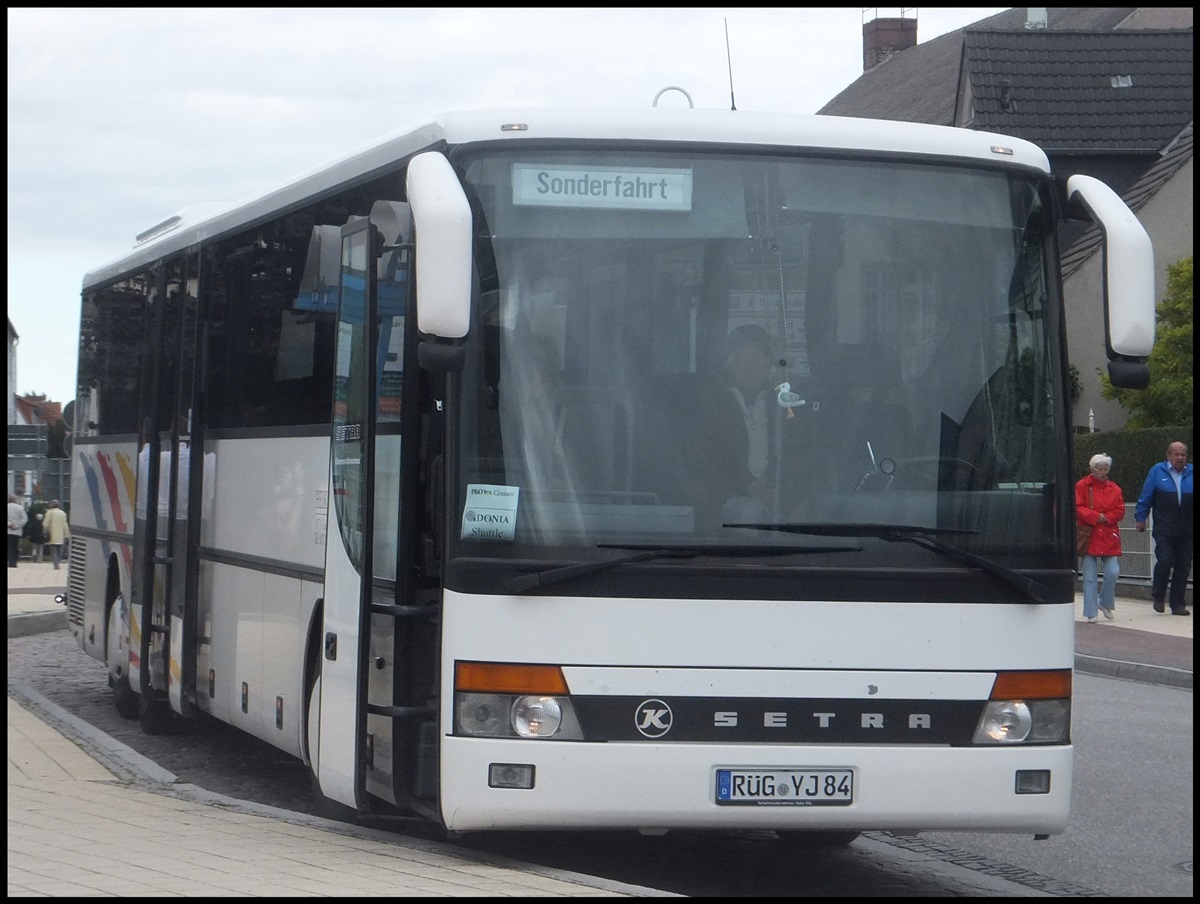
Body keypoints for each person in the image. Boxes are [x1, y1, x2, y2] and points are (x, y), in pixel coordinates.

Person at [1134, 441, 1193, 615]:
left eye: (1183, 454)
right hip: (1164, 528)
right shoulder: (1157, 471)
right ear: (1168, 456)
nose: (1180, 458)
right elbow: (1146, 496)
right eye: (1177, 454)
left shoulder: (1192, 472)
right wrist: (1140, 518)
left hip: (1187, 529)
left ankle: (1177, 604)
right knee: (1165, 560)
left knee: (1183, 566)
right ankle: (1158, 596)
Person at [1075, 453, 1124, 623]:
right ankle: (1091, 612)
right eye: (1100, 469)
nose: (1103, 472)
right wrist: (1097, 517)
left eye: (1106, 469)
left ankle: (1104, 602)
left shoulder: (1115, 489)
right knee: (1089, 576)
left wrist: (1106, 518)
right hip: (1090, 535)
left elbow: (1120, 510)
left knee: (1113, 571)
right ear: (1093, 469)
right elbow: (1077, 506)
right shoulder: (1082, 486)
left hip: (1109, 535)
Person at [42, 499, 70, 571]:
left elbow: (45, 524)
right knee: (60, 551)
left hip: (52, 534)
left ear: (51, 505)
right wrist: (67, 534)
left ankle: (56, 564)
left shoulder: (49, 512)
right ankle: (58, 563)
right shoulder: (62, 513)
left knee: (53, 551)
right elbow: (65, 524)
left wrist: (45, 531)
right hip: (61, 535)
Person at [7, 494, 28, 568]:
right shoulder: (20, 508)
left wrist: (9, 524)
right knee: (15, 547)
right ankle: (14, 562)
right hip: (17, 532)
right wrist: (17, 525)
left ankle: (10, 561)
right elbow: (24, 519)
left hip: (8, 530)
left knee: (9, 547)